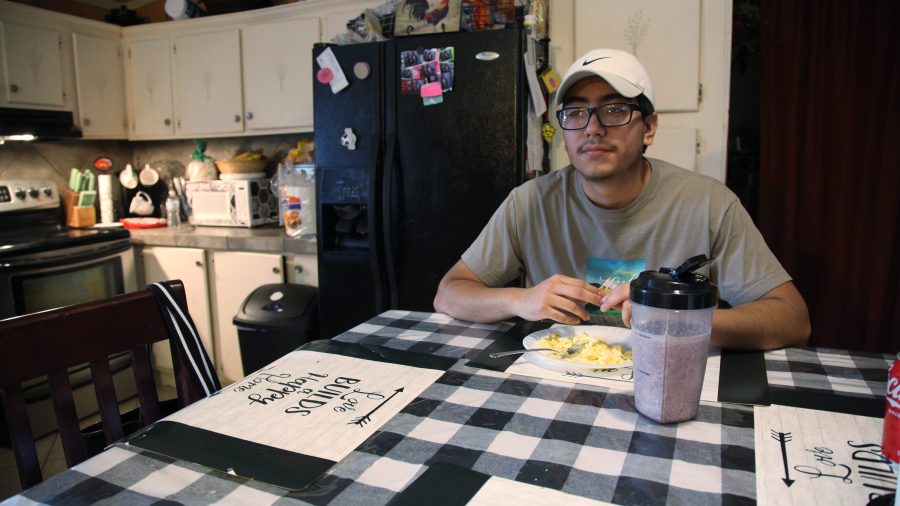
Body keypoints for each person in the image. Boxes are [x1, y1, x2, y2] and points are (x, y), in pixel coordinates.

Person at [433, 48, 810, 350]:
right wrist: (520, 300)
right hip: (555, 384)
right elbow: (449, 293)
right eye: (576, 112)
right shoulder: (528, 203)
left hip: (668, 382)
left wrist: (678, 320)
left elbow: (792, 319)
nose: (592, 129)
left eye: (614, 110)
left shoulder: (709, 204)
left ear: (649, 128)